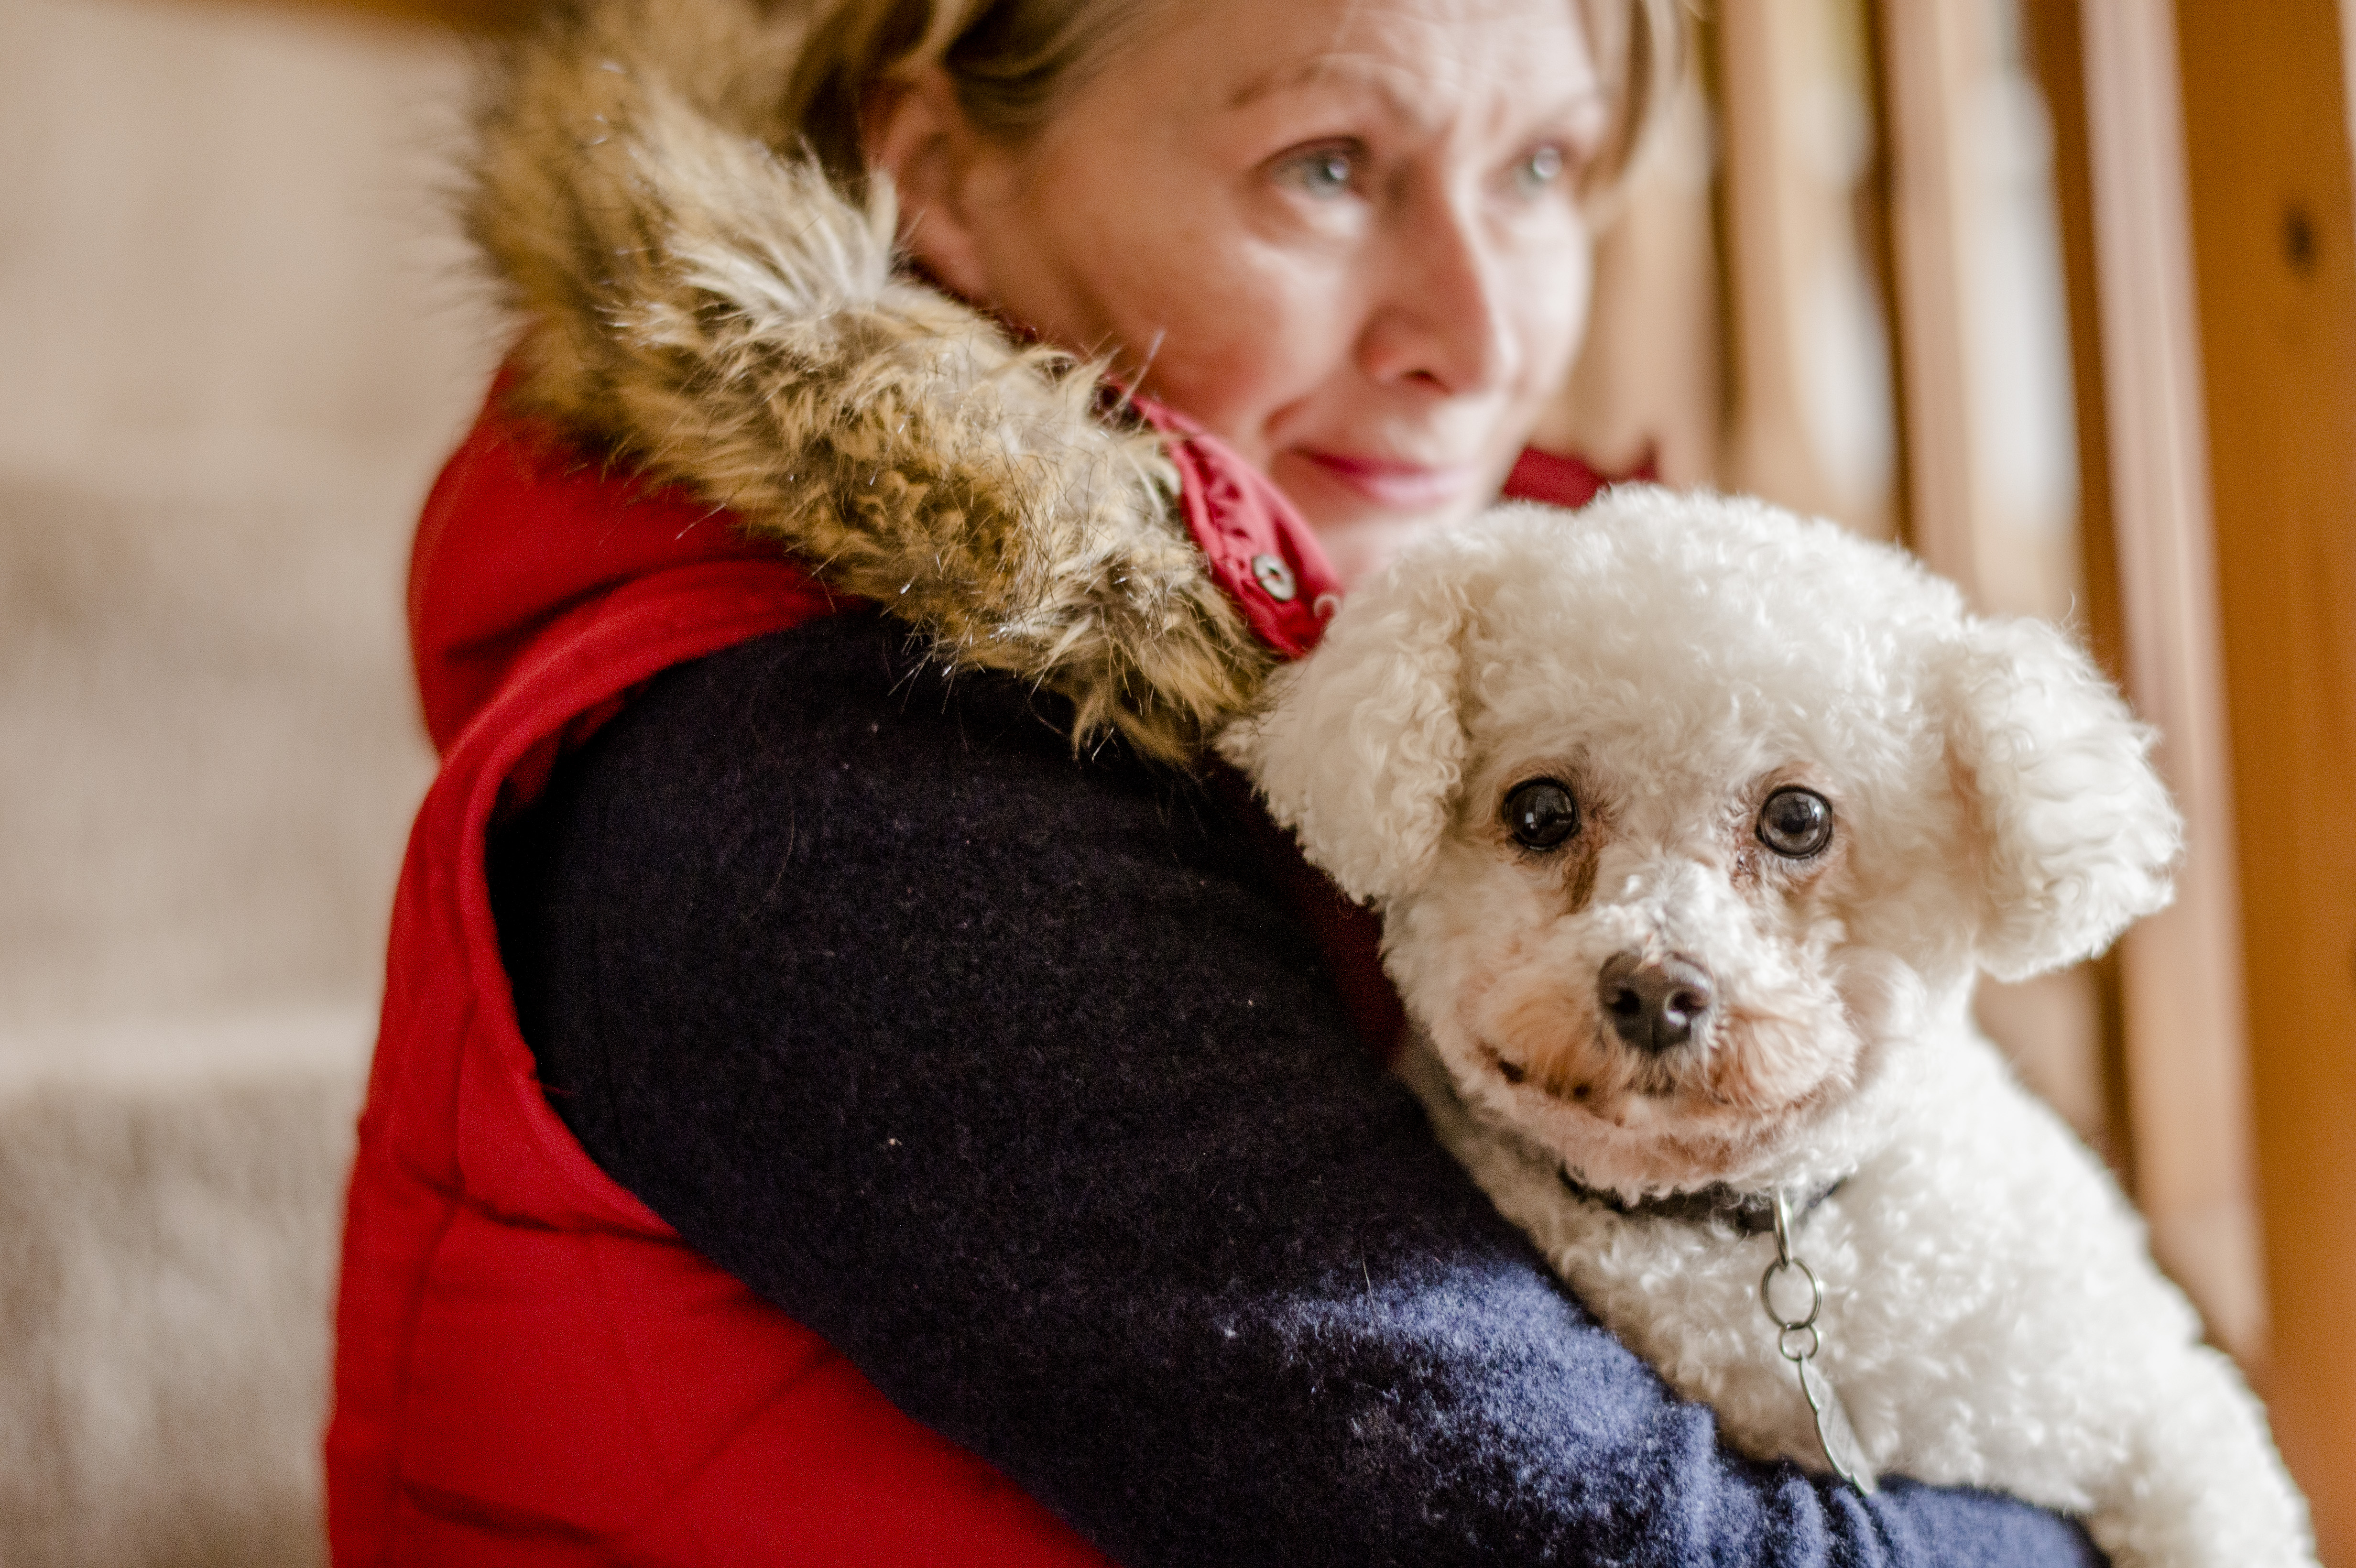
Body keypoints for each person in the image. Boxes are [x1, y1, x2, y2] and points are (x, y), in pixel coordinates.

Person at [327, 0, 2110, 1562]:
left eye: (1544, 168)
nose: (1479, 337)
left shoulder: (1441, 679)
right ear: (934, 159)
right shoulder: (830, 794)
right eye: (1328, 166)